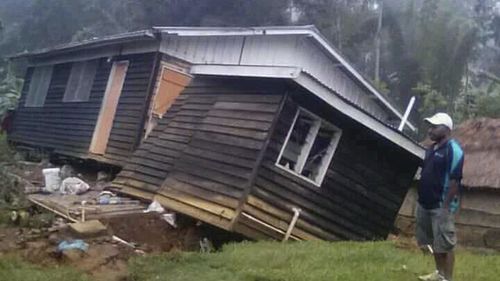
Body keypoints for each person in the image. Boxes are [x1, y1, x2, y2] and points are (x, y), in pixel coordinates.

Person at [416, 113, 464, 281]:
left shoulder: (453, 150)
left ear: (447, 129)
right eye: (430, 126)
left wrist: (445, 208)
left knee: (446, 244)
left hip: (440, 205)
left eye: (434, 127)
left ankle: (448, 278)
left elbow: (455, 181)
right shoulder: (430, 149)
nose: (430, 130)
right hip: (424, 203)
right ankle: (439, 273)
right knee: (432, 242)